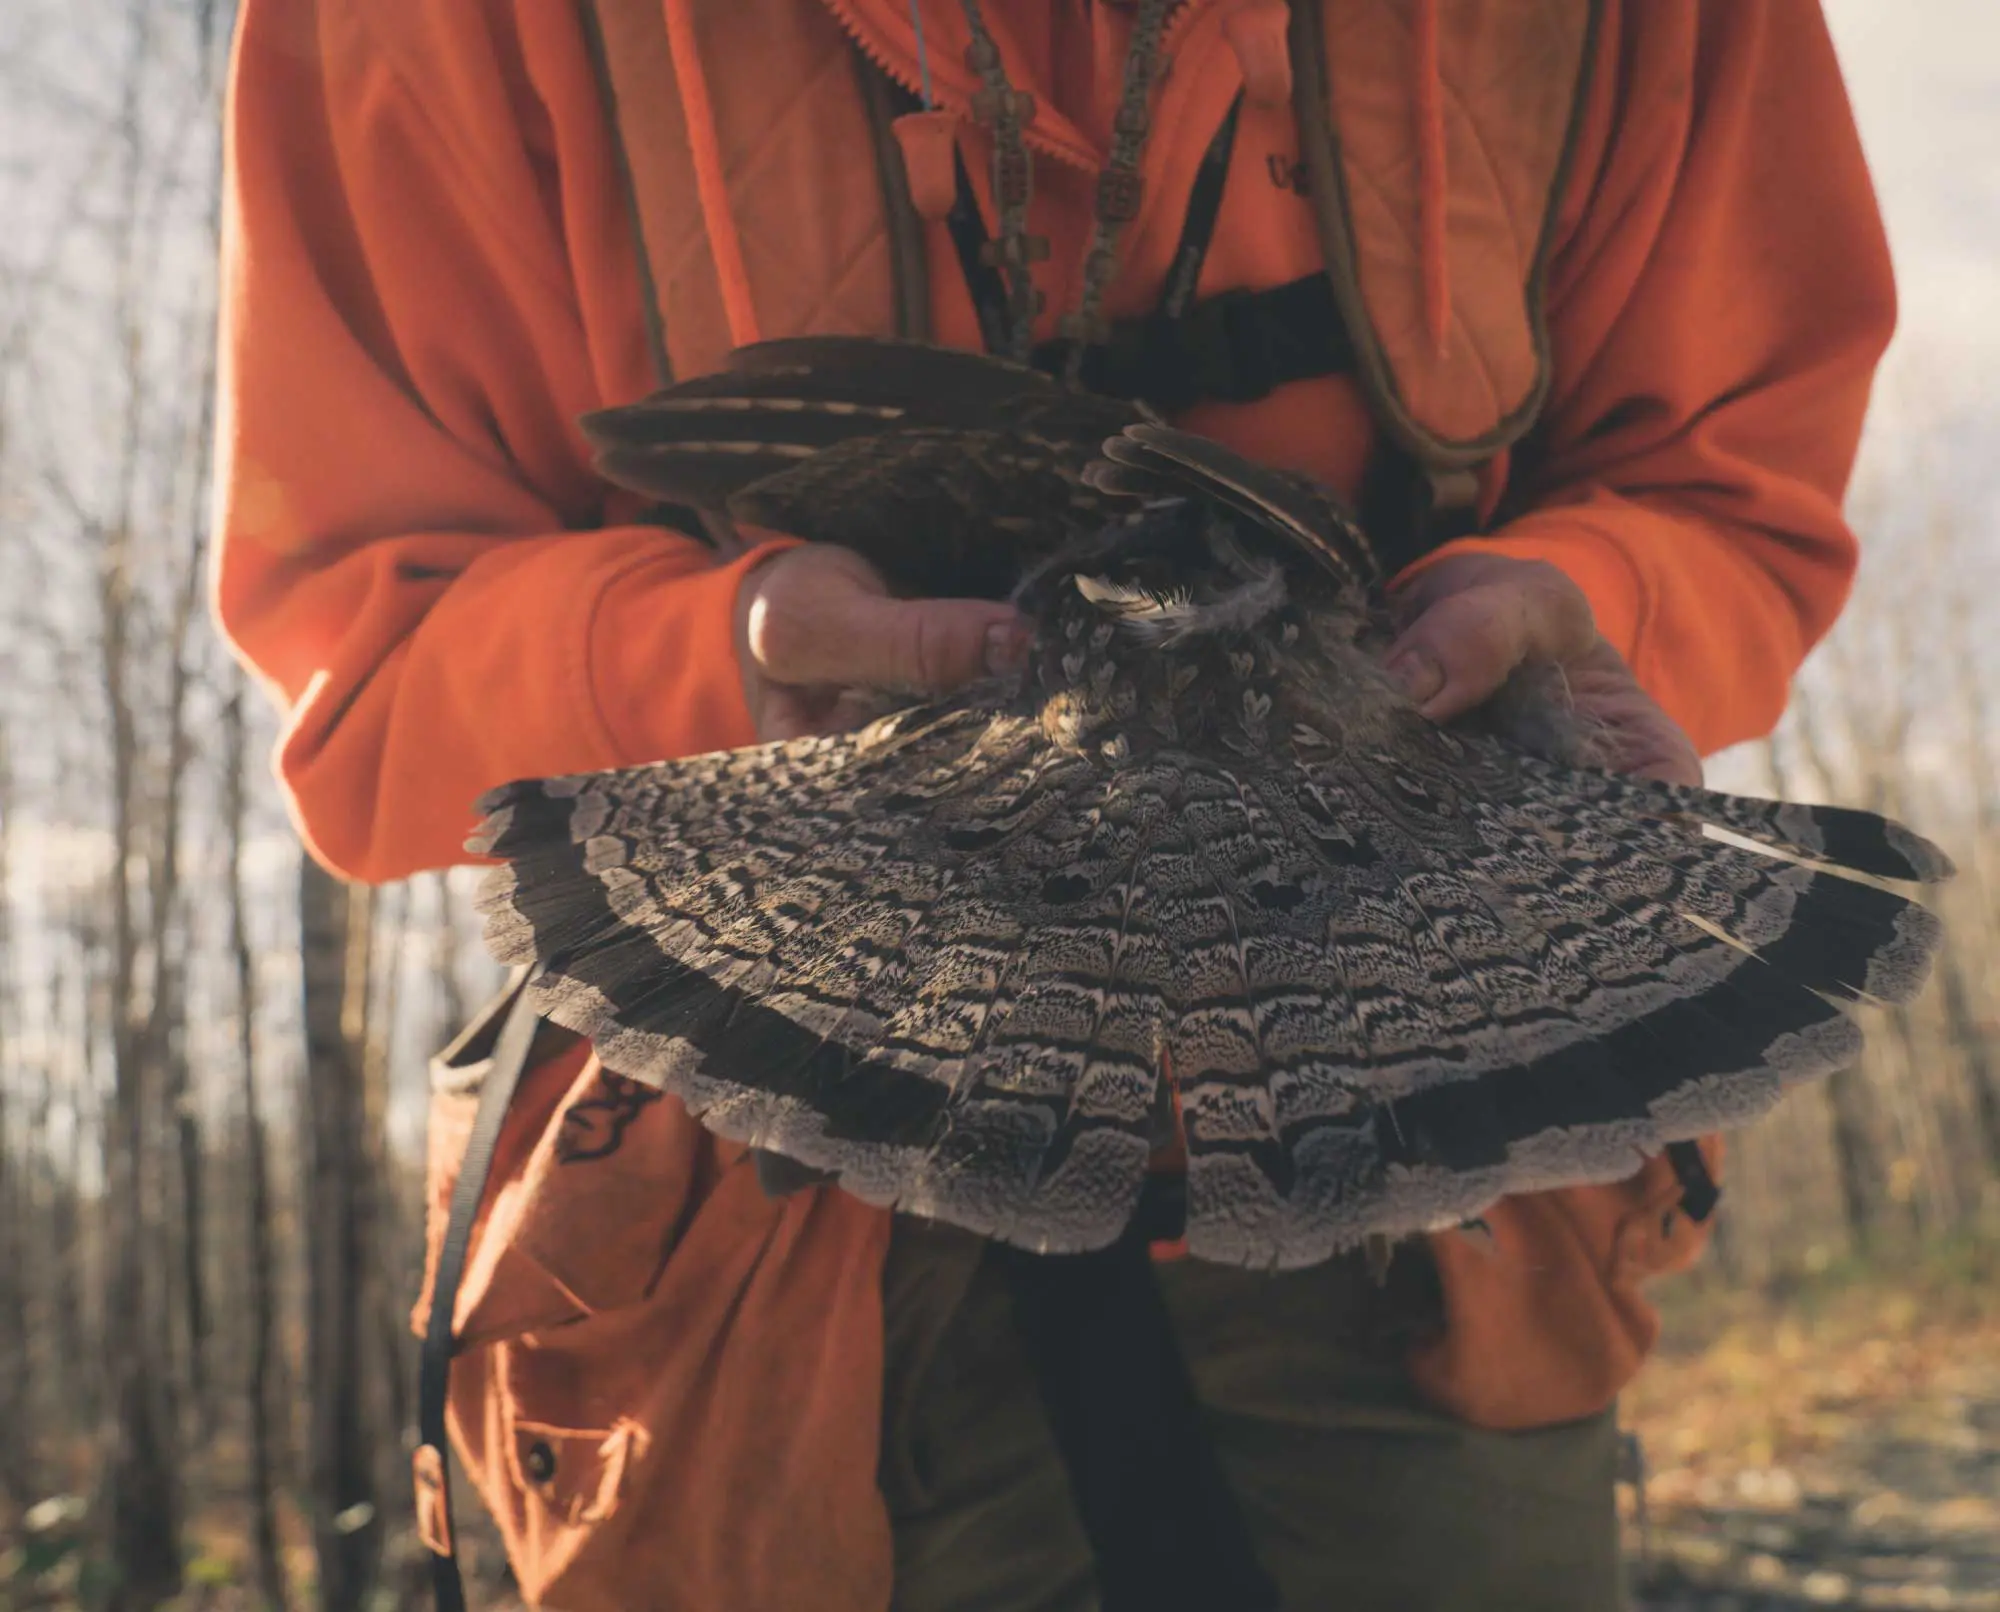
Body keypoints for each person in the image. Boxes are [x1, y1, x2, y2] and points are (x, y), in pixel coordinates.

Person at [213, 1, 1894, 1606]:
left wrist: (1581, 609)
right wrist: (711, 659)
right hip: (770, 1278)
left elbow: (1726, 482)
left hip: (1440, 1197)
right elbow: (370, 664)